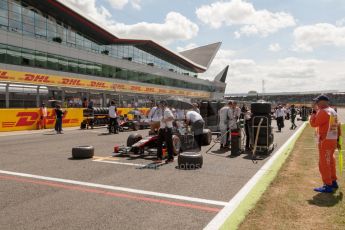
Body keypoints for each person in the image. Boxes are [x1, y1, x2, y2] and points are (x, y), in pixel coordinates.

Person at [310, 95, 340, 193]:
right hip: (333, 139)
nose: (316, 104)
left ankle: (327, 185)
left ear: (322, 102)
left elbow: (313, 123)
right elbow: (338, 125)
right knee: (330, 161)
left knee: (324, 163)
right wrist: (338, 140)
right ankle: (333, 181)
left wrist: (314, 112)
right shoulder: (332, 110)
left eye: (317, 102)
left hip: (325, 140)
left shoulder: (323, 111)